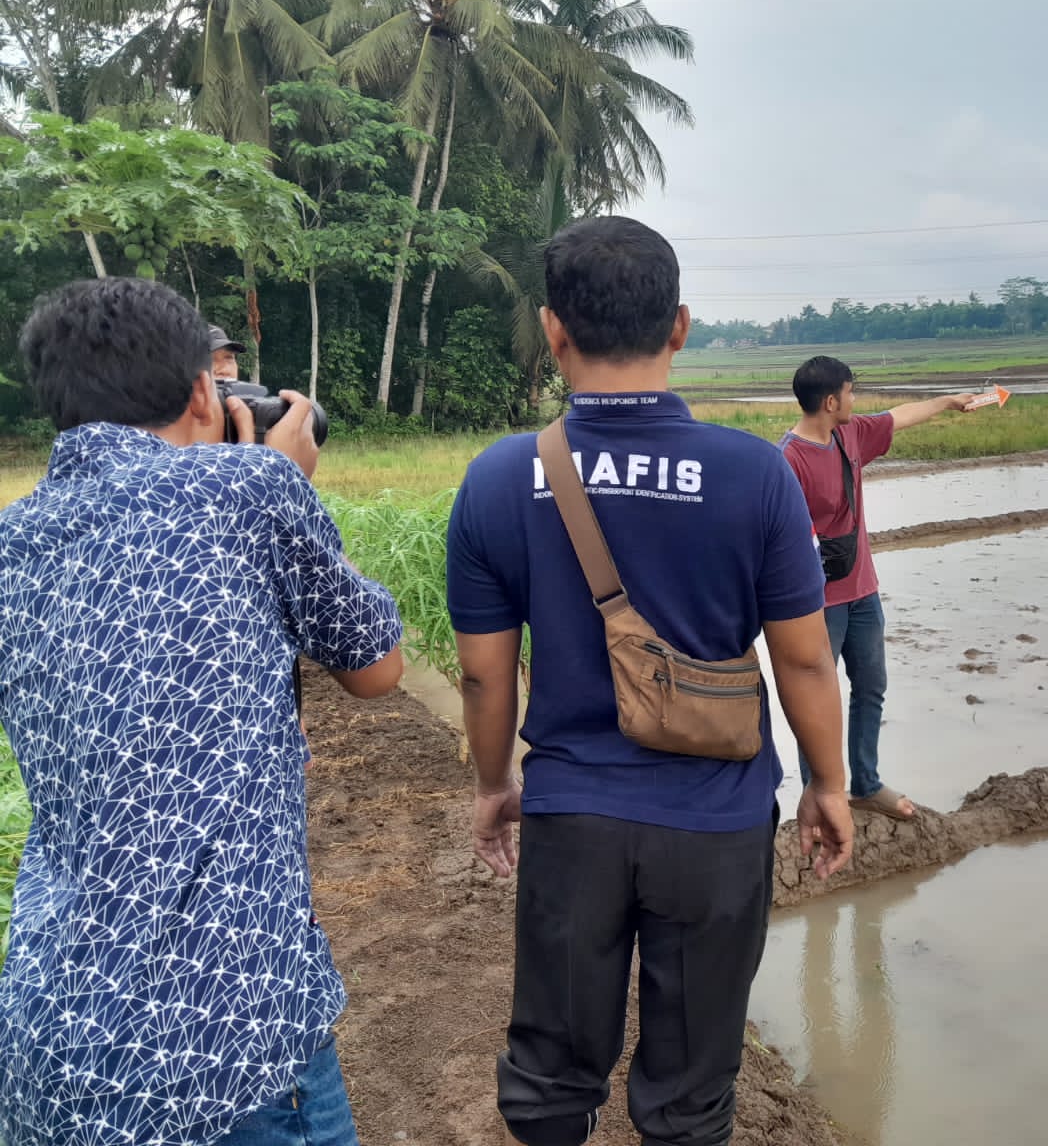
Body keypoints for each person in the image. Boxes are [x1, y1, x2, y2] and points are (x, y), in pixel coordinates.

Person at [446, 215, 853, 1146]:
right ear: (679, 326)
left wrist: (492, 786)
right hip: (716, 823)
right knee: (691, 1087)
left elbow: (482, 675)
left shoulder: (502, 478)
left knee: (551, 1075)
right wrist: (828, 786)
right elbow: (800, 658)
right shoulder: (754, 474)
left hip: (573, 816)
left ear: (554, 330)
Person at [0, 278, 405, 1146]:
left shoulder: (12, 543)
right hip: (224, 1043)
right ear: (199, 391)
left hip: (50, 1032)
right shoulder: (250, 493)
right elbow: (377, 669)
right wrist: (275, 475)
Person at [780, 358, 974, 820]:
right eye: (850, 392)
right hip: (818, 605)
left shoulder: (851, 434)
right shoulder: (788, 461)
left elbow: (900, 416)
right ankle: (821, 793)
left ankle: (865, 783)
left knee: (870, 688)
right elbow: (782, 542)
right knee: (817, 701)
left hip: (863, 592)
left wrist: (948, 402)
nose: (854, 400)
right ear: (831, 401)